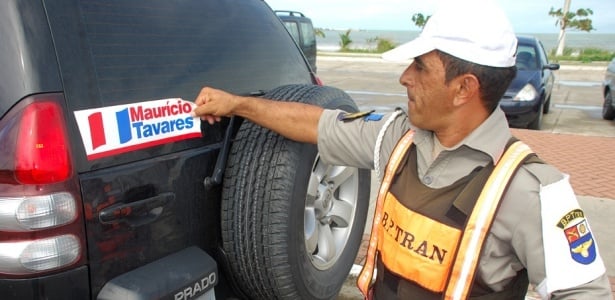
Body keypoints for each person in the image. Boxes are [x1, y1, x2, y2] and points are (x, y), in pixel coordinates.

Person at [192, 0, 612, 298]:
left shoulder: (532, 190)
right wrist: (238, 104)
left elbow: (584, 292)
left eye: (420, 67)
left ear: (465, 89)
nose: (404, 78)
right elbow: (315, 124)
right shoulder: (399, 138)